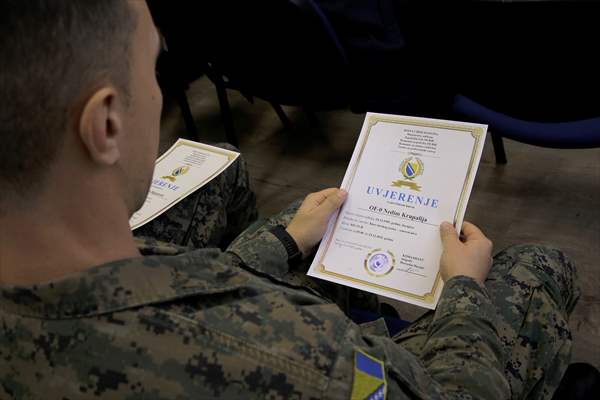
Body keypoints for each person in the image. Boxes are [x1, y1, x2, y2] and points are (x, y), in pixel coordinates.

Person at [0, 1, 580, 399]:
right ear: (106, 123)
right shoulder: (290, 355)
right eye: (152, 66)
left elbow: (185, 285)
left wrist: (283, 240)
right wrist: (463, 292)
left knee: (313, 224)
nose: (158, 89)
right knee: (540, 265)